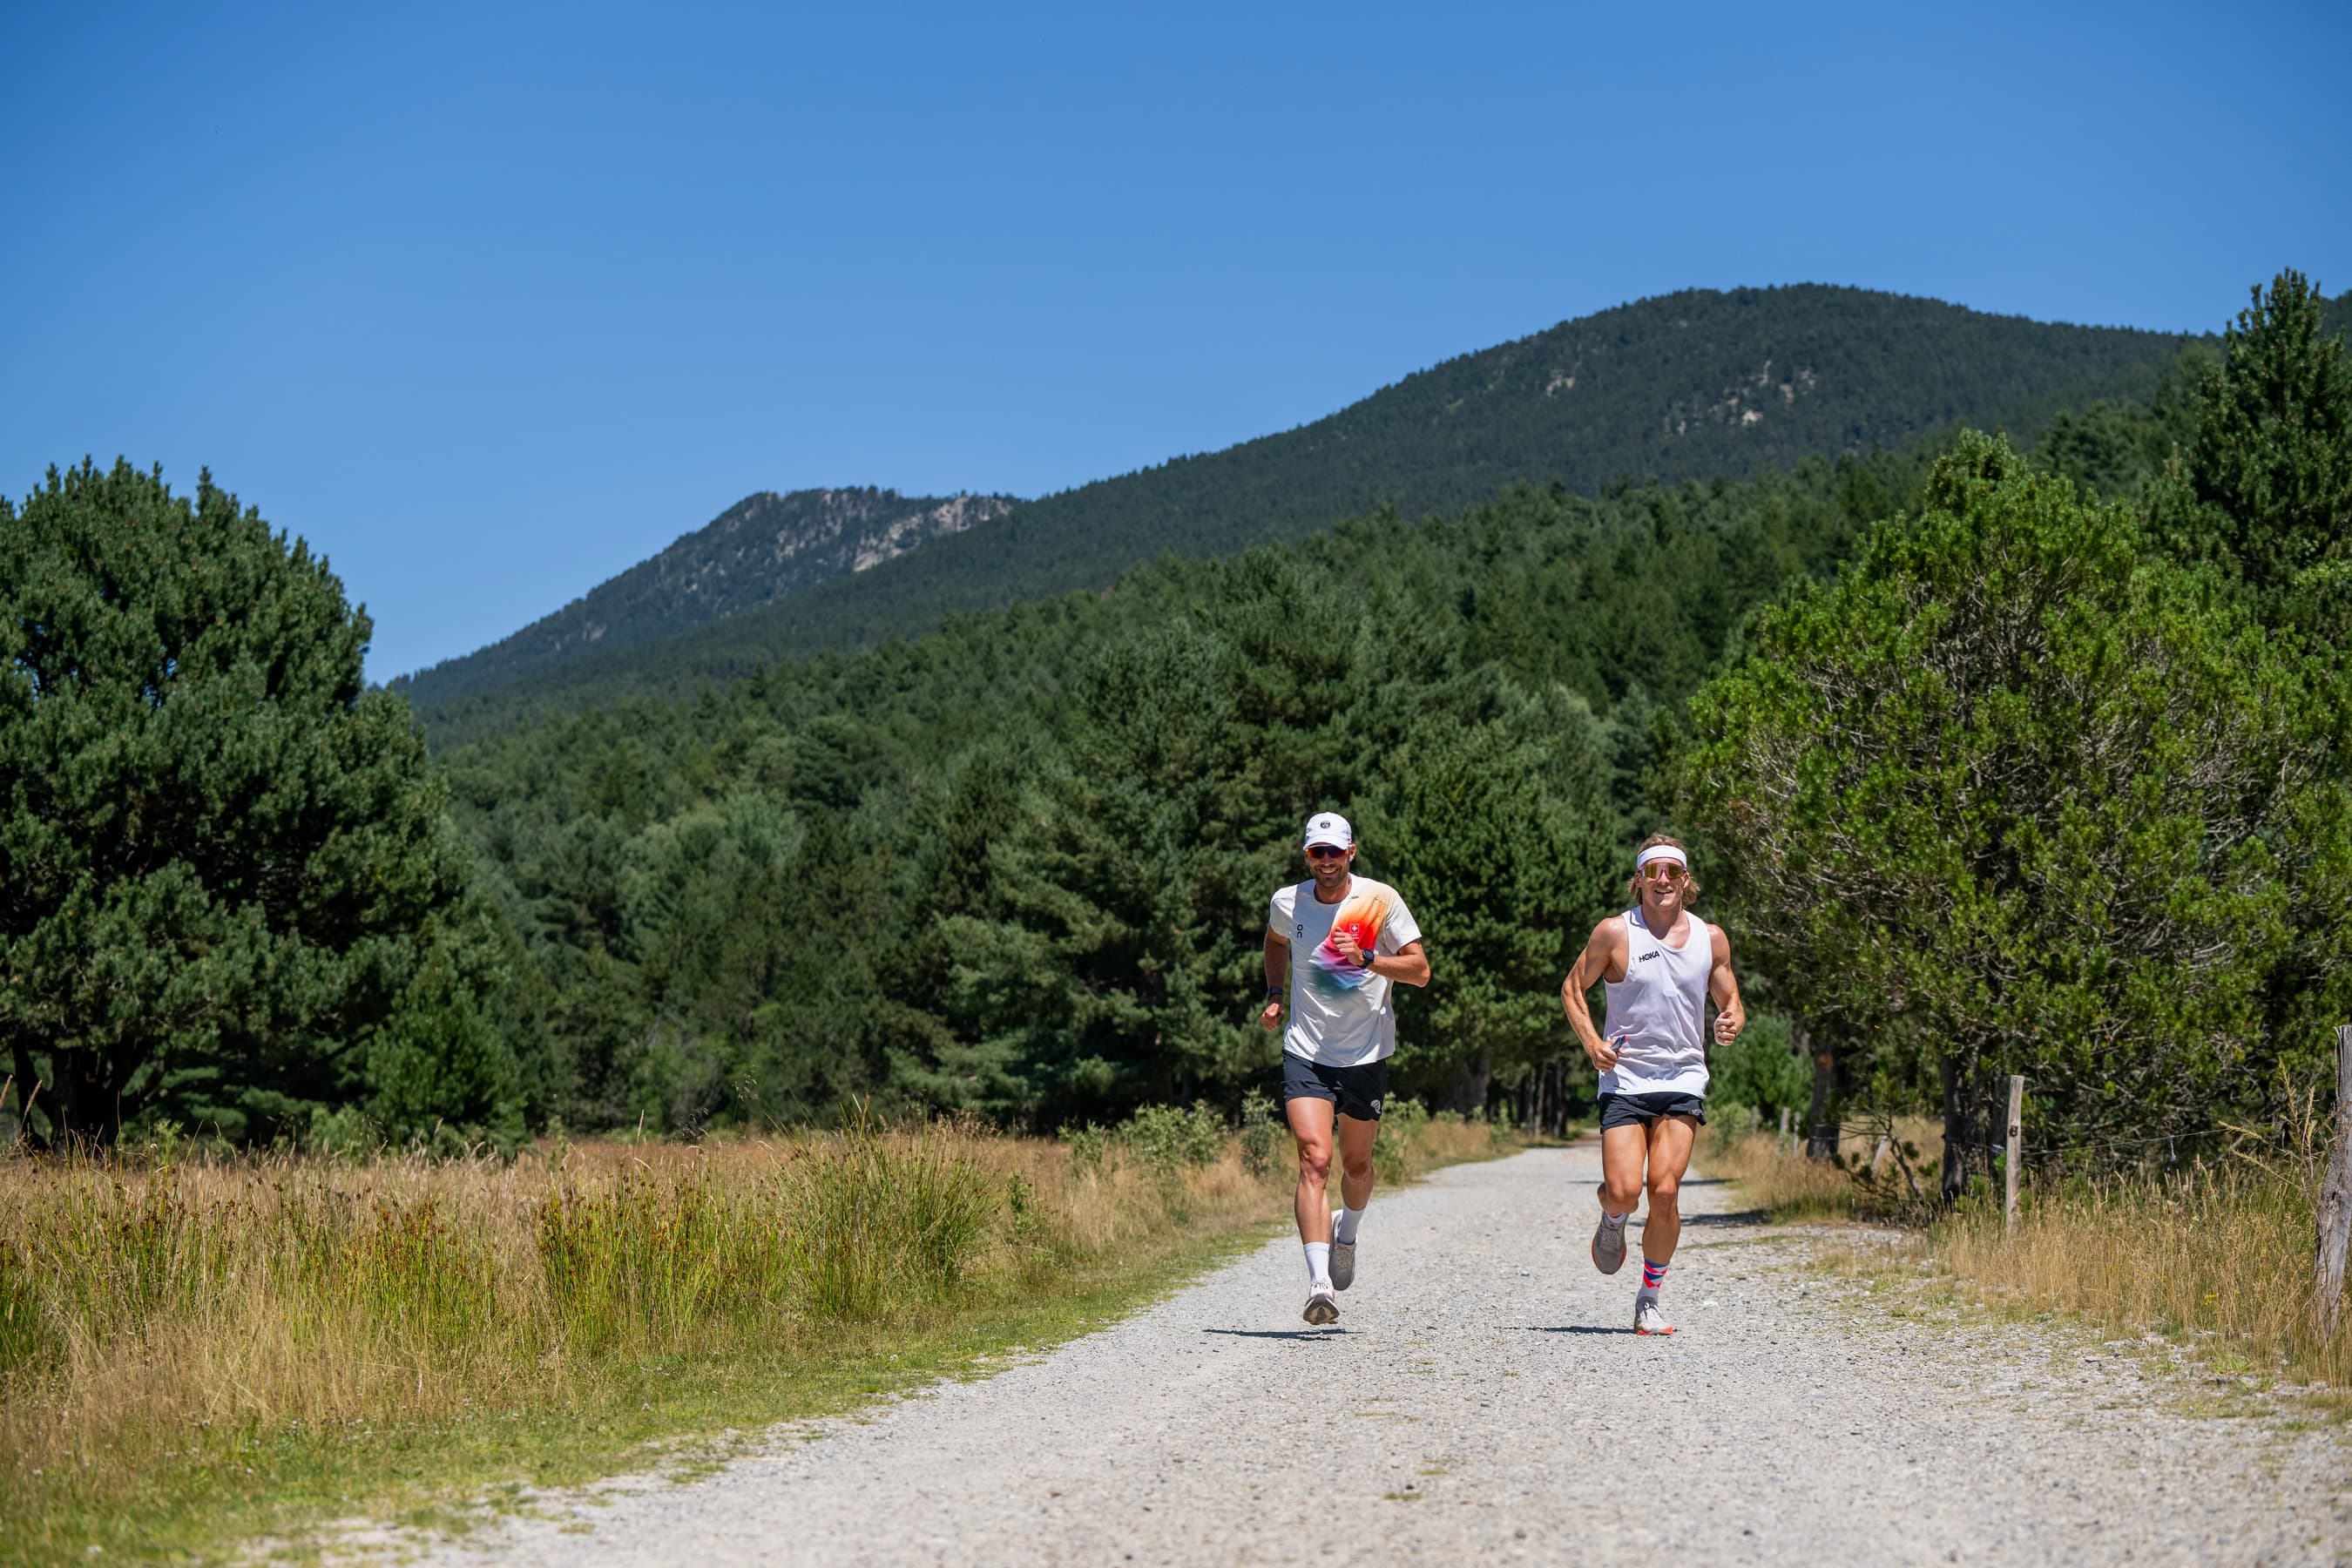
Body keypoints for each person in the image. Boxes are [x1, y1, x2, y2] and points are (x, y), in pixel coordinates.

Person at [1559, 835, 1744, 1335]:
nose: (1664, 880)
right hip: (1625, 1078)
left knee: (1664, 1189)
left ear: (1686, 880)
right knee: (1624, 1192)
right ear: (1639, 879)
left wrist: (1731, 1020)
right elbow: (1572, 988)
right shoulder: (1615, 933)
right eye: (1654, 871)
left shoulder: (1711, 938)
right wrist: (1592, 1043)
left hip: (1683, 1077)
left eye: (1673, 871)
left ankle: (1649, 1297)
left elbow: (1730, 999)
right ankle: (1613, 1216)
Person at [1259, 811, 1430, 1325]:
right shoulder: (1288, 902)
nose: (1327, 862)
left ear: (1351, 852)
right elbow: (1275, 941)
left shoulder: (1381, 900)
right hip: (1306, 1050)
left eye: (1335, 852)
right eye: (1318, 853)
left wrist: (1369, 960)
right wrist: (1275, 993)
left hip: (1365, 1055)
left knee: (1356, 1166)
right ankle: (1319, 1283)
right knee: (1314, 1160)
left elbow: (1420, 971)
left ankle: (1347, 1232)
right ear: (1307, 856)